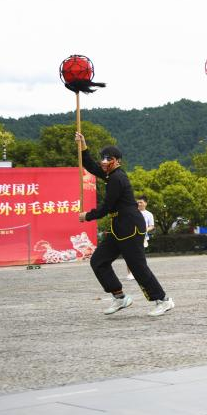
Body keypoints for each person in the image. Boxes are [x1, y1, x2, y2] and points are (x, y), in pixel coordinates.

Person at [75, 134, 173, 316]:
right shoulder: (109, 174)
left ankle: (163, 300)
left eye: (108, 159)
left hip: (131, 228)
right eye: (102, 158)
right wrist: (83, 146)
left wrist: (87, 216)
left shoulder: (117, 179)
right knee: (99, 261)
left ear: (117, 161)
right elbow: (90, 166)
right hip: (118, 229)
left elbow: (107, 207)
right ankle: (120, 297)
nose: (104, 162)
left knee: (137, 267)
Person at [124, 197, 156, 281]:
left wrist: (145, 229)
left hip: (142, 238)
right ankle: (130, 273)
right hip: (130, 237)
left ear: (145, 203)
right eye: (138, 202)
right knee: (129, 255)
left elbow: (152, 226)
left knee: (140, 256)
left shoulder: (149, 214)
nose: (139, 204)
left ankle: (141, 273)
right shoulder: (132, 212)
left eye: (141, 202)